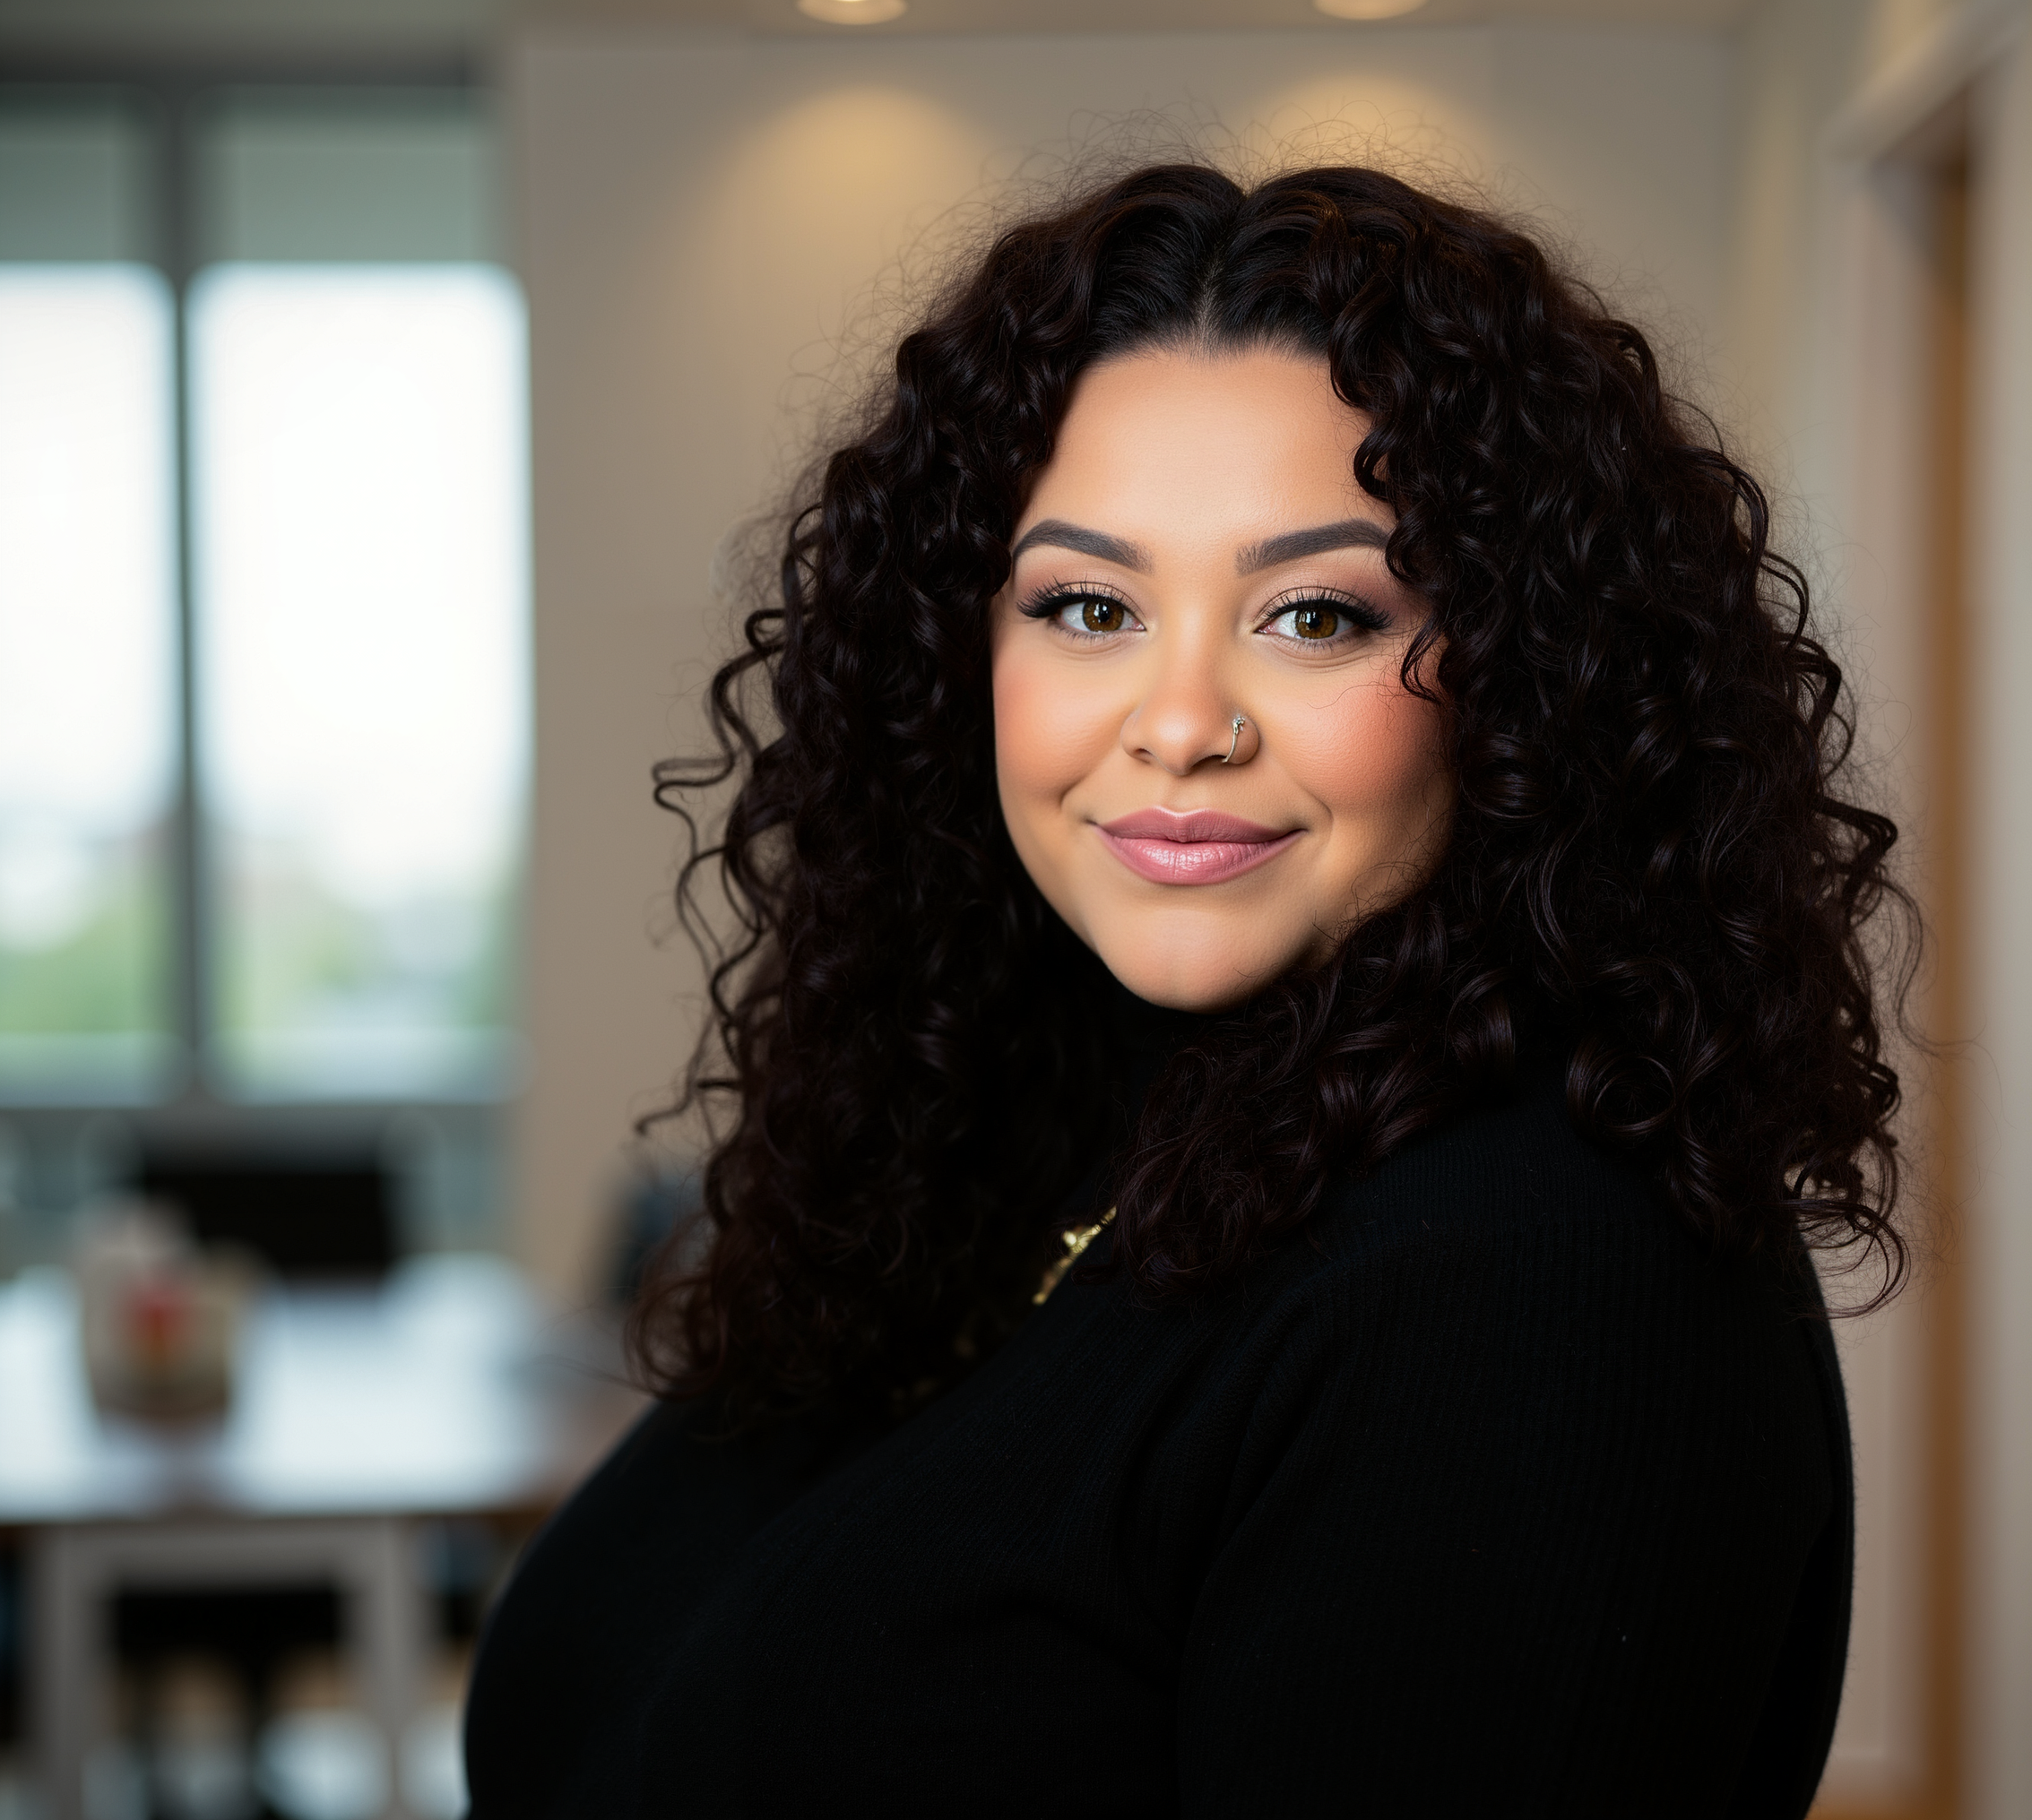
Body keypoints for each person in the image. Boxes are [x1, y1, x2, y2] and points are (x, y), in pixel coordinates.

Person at [464, 161, 1908, 1816]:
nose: (1179, 720)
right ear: (961, 658)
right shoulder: (1056, 1121)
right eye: (1088, 605)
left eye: (1314, 614)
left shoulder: (1531, 1280)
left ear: (1525, 677)